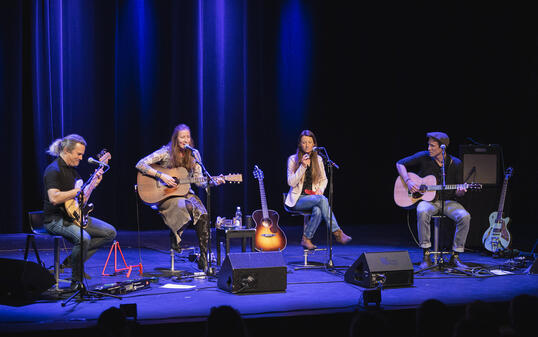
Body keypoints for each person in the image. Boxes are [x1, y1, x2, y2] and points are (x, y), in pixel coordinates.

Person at [136, 124, 224, 272]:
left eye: (188, 137)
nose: (186, 140)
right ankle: (175, 236)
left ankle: (203, 256)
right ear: (176, 139)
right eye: (182, 137)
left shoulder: (194, 155)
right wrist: (162, 175)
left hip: (185, 192)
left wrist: (213, 182)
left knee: (202, 214)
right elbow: (140, 164)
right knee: (185, 206)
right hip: (166, 195)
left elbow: (199, 180)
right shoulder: (166, 152)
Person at [43, 134, 117, 287]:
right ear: (66, 151)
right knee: (84, 239)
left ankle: (72, 262)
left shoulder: (73, 171)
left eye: (82, 154)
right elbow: (54, 198)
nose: (81, 158)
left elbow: (80, 201)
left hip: (73, 216)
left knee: (110, 232)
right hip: (55, 219)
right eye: (78, 154)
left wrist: (92, 185)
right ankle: (76, 283)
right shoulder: (53, 170)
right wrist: (77, 191)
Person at [396, 132, 471, 269]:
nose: (429, 148)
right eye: (428, 145)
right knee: (422, 211)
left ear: (442, 148)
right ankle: (426, 255)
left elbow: (458, 191)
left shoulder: (456, 163)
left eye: (432, 146)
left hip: (448, 202)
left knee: (464, 216)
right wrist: (408, 181)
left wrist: (460, 191)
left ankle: (455, 256)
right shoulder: (424, 157)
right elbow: (400, 163)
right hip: (428, 202)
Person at [284, 130, 351, 250]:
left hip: (313, 197)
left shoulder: (318, 159)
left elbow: (324, 179)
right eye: (304, 142)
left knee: (318, 210)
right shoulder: (293, 160)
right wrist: (302, 166)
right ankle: (337, 232)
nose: (307, 145)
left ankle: (306, 239)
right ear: (300, 144)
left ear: (314, 144)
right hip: (297, 199)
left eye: (309, 142)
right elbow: (291, 182)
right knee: (322, 200)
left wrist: (320, 189)